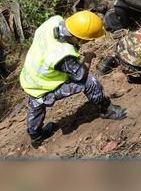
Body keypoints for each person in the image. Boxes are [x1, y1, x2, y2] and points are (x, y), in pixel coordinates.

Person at [20, 10, 127, 148]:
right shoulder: (62, 54)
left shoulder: (52, 22)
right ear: (78, 38)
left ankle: (35, 136)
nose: (90, 41)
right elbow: (80, 75)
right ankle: (106, 109)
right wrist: (88, 57)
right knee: (89, 81)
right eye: (88, 39)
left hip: (29, 77)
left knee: (36, 105)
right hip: (43, 86)